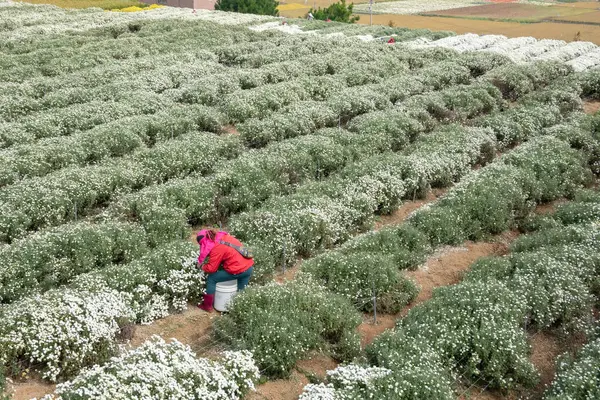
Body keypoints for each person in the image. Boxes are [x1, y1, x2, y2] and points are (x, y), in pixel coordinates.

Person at [196, 228, 254, 312]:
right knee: (241, 291)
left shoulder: (216, 247)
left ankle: (207, 305)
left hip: (238, 269)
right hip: (248, 267)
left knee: (212, 278)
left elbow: (211, 269)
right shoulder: (224, 236)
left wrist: (201, 266)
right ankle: (240, 309)